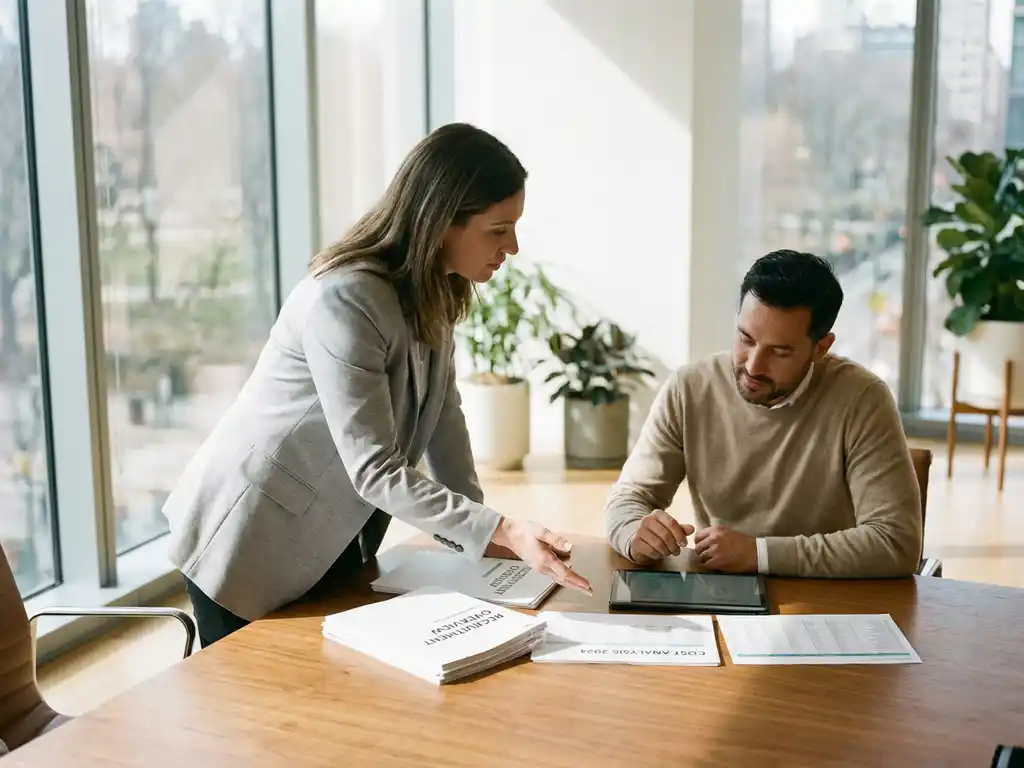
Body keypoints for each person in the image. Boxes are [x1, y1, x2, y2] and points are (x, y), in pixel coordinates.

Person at [162, 123, 592, 647]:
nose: (514, 247)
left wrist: (488, 538)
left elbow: (444, 424)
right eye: (499, 229)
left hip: (333, 528)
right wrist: (498, 529)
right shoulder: (345, 299)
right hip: (252, 533)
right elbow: (375, 468)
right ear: (440, 222)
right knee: (254, 711)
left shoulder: (435, 290)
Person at [604, 249, 922, 578]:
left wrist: (760, 553)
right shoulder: (690, 388)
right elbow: (628, 497)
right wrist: (632, 533)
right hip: (722, 596)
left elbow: (896, 542)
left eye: (780, 352)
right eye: (746, 338)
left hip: (825, 601)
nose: (754, 366)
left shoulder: (863, 400)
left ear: (821, 348)